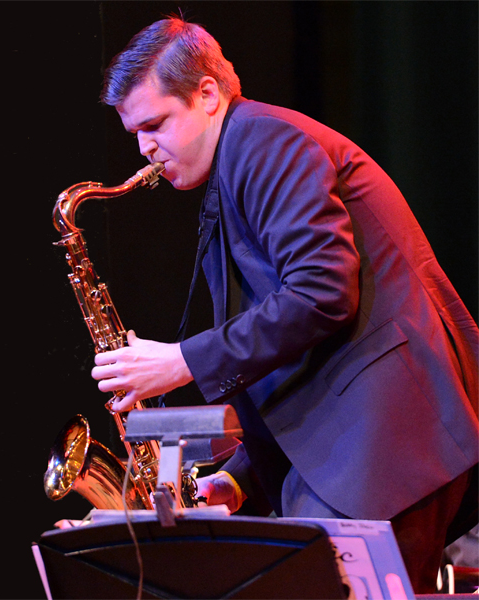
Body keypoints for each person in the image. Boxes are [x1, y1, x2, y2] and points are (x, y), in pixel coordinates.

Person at [91, 15, 479, 593]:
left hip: (383, 442)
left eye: (155, 125)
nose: (145, 149)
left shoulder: (265, 141)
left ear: (207, 95)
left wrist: (183, 361)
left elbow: (323, 294)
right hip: (358, 448)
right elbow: (299, 346)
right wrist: (243, 476)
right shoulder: (240, 156)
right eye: (136, 133)